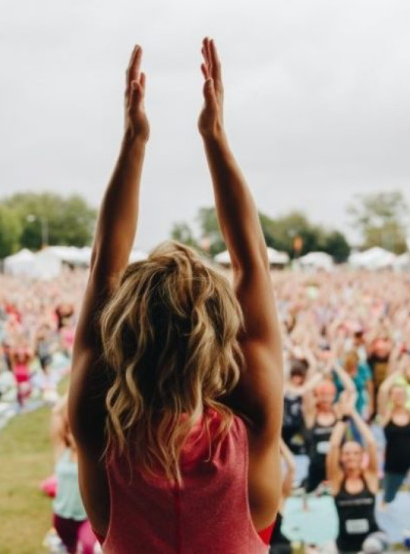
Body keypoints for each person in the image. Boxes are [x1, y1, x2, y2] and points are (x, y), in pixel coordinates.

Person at [68, 40, 283, 552]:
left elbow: (103, 267)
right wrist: (214, 136)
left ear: (123, 332)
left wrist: (134, 141)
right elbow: (251, 261)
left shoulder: (99, 425)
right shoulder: (251, 422)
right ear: (218, 336)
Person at [326, 396, 387, 553]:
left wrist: (353, 413)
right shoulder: (337, 480)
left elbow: (371, 442)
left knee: (370, 547)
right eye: (347, 453)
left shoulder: (370, 478)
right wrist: (343, 419)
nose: (351, 457)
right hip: (345, 544)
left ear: (361, 457)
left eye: (355, 453)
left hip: (372, 539)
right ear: (341, 457)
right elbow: (333, 446)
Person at [377, 360, 410, 509]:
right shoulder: (386, 415)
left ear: (406, 395)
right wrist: (397, 373)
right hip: (393, 464)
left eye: (401, 393)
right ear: (391, 396)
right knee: (388, 496)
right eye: (395, 393)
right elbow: (383, 390)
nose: (398, 396)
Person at [50, 397, 97, 554]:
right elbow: (56, 413)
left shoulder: (91, 456)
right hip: (61, 515)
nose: (73, 434)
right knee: (70, 549)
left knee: (86, 548)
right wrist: (72, 391)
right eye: (70, 431)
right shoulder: (62, 452)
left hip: (85, 518)